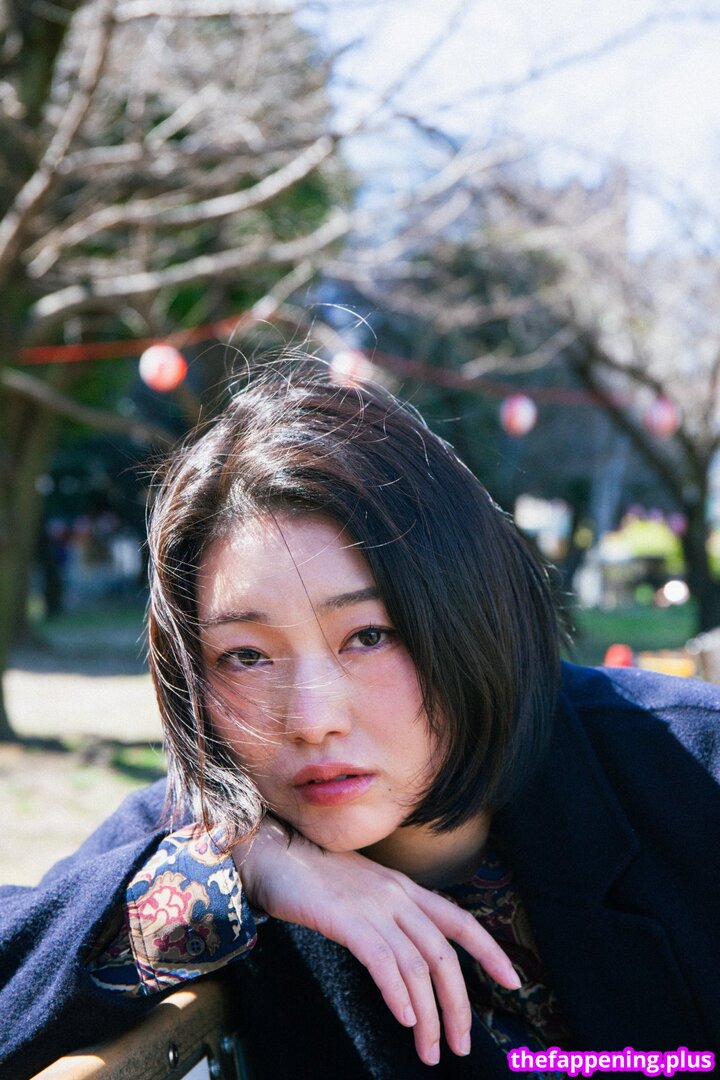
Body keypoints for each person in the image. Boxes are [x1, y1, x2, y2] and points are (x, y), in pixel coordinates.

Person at [1, 366, 719, 1080]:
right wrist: (241, 869)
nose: (312, 721)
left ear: (469, 612)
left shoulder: (688, 768)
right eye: (246, 656)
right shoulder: (209, 833)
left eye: (369, 636)